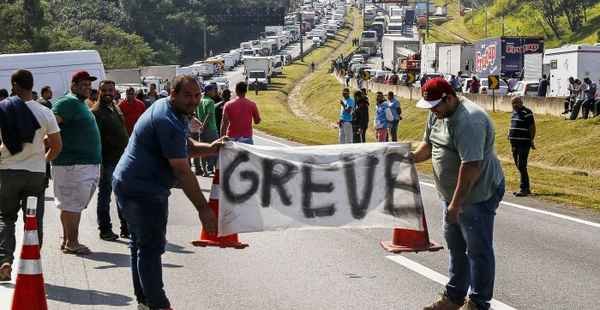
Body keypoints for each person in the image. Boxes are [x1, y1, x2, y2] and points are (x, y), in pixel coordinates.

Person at [112, 75, 221, 310]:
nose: (193, 100)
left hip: (130, 183)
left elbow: (185, 147)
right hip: (143, 190)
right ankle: (158, 304)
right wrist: (204, 209)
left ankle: (145, 301)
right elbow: (182, 170)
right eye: (187, 95)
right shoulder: (168, 120)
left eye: (197, 95)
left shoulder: (170, 109)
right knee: (150, 248)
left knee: (139, 245)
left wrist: (211, 149)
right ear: (173, 94)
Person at [413, 78, 505, 310]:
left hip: (476, 194)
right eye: (430, 106)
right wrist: (409, 158)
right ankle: (454, 297)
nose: (432, 110)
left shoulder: (469, 120)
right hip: (452, 195)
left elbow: (471, 166)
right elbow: (428, 146)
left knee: (477, 249)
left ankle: (478, 303)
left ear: (450, 97)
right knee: (456, 246)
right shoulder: (437, 114)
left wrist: (456, 204)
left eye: (436, 105)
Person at [0, 69, 62, 281]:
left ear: (15, 85)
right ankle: (32, 265)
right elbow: (56, 146)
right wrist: (42, 160)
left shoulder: (3, 109)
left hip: (7, 173)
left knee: (5, 217)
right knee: (33, 220)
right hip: (36, 175)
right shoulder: (45, 112)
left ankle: (4, 261)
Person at [52, 70, 102, 255]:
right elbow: (50, 126)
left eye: (89, 85)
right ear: (73, 85)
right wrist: (51, 149)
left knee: (71, 204)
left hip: (81, 164)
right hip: (73, 164)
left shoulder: (79, 103)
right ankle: (72, 242)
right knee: (72, 204)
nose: (88, 88)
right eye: (83, 84)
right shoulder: (67, 103)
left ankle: (68, 240)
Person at [91, 80, 130, 240]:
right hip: (107, 161)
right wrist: (99, 163)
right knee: (105, 195)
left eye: (111, 90)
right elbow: (96, 140)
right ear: (99, 91)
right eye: (104, 90)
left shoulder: (114, 107)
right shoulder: (97, 112)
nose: (108, 93)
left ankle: (126, 227)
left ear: (115, 91)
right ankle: (105, 229)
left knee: (123, 194)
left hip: (121, 159)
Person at [508, 97, 535, 197]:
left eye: (516, 103)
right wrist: (509, 133)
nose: (514, 105)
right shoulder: (514, 113)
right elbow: (512, 124)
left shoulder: (527, 112)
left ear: (521, 103)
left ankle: (524, 188)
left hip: (524, 142)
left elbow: (532, 127)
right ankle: (525, 187)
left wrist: (531, 140)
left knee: (522, 164)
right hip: (514, 143)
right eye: (512, 103)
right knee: (518, 164)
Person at [196, 84, 219, 176]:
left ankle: (205, 171)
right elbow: (209, 115)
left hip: (201, 129)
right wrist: (204, 125)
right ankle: (213, 168)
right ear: (208, 91)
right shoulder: (210, 101)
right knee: (215, 149)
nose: (214, 92)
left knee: (202, 151)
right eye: (213, 90)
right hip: (210, 129)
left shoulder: (200, 101)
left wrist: (200, 126)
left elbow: (197, 115)